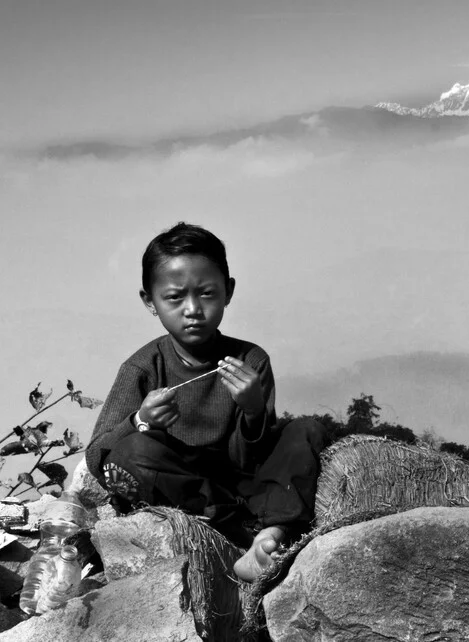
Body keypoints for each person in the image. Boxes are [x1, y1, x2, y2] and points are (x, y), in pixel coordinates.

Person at [85, 222, 328, 581]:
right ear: (149, 301)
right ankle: (249, 536)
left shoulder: (250, 360)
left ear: (228, 291)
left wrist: (252, 408)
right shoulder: (142, 368)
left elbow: (249, 460)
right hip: (190, 491)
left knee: (305, 430)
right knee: (133, 453)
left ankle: (271, 533)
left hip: (244, 486)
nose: (193, 309)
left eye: (207, 294)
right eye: (175, 297)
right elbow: (96, 457)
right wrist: (141, 421)